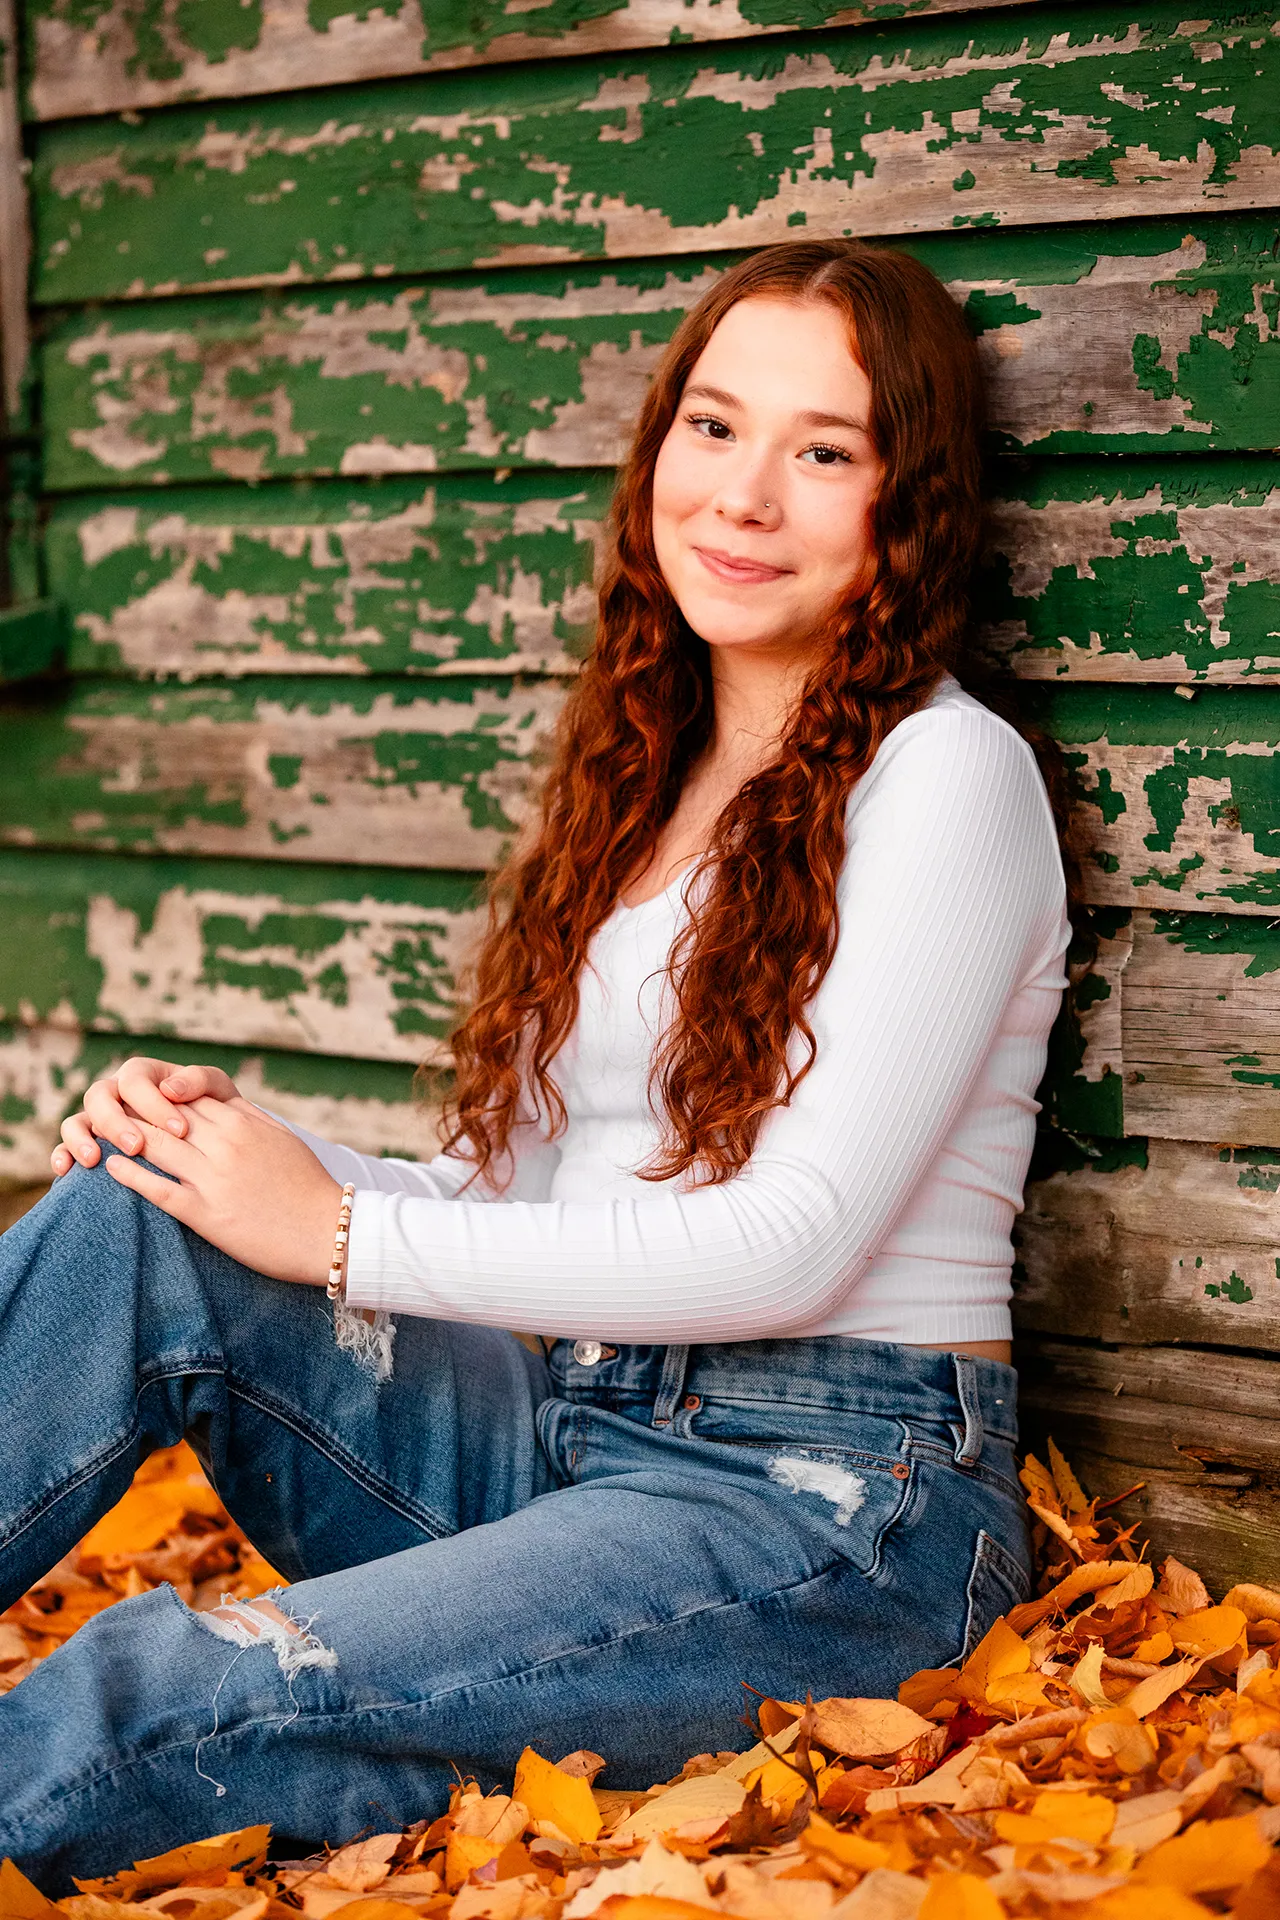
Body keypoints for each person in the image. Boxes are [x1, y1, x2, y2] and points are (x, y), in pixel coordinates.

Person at [0, 239, 1069, 1889]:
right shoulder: (650, 780)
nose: (747, 496)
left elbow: (798, 1241)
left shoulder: (948, 774)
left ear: (906, 506)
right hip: (565, 1423)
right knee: (128, 1216)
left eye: (826, 451)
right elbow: (512, 1206)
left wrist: (337, 1234)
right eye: (714, 429)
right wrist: (240, 1166)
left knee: (157, 1698)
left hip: (824, 1503)